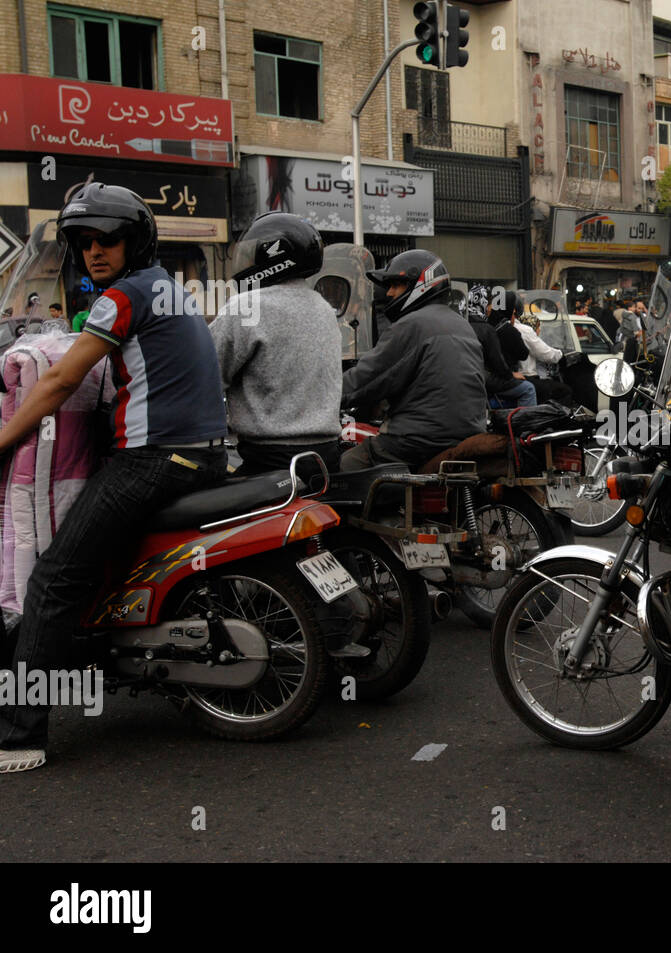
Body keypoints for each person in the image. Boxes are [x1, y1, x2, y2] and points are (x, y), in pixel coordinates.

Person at [0, 183, 228, 772]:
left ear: (136, 241)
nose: (96, 252)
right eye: (85, 242)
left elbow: (57, 382)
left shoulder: (122, 296)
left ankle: (21, 734)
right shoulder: (168, 290)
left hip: (153, 460)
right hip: (203, 454)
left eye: (110, 240)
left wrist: (2, 440)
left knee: (51, 580)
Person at [208, 212, 343, 475]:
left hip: (270, 460)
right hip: (326, 456)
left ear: (274, 256)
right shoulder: (323, 307)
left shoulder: (247, 306)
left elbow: (204, 374)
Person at [340, 250, 486, 471]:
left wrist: (325, 395)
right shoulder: (462, 325)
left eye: (395, 285)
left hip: (418, 440)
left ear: (419, 285)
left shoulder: (411, 325)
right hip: (468, 435)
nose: (388, 293)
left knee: (347, 464)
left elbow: (369, 379)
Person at [463, 284, 536, 409]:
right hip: (486, 380)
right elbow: (497, 361)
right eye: (489, 304)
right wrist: (511, 375)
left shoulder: (461, 324)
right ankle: (525, 425)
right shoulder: (487, 330)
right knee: (528, 389)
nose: (490, 308)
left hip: (466, 379)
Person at [515, 307, 571, 404]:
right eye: (538, 327)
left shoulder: (515, 331)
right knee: (565, 391)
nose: (539, 330)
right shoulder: (527, 333)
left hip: (521, 377)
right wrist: (561, 354)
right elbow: (546, 354)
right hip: (527, 377)